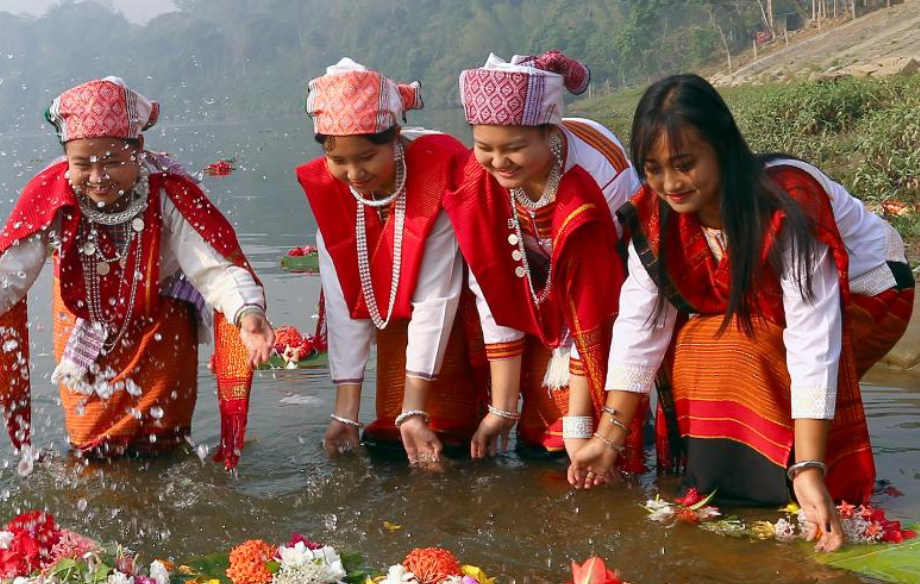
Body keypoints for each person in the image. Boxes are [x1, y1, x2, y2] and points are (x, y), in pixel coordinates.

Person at [570, 74, 914, 551]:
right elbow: (642, 321)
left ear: (724, 149)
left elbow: (812, 335)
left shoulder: (787, 202)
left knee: (748, 347)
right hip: (760, 307)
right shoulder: (657, 211)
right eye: (653, 168)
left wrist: (812, 467)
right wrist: (609, 437)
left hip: (868, 290)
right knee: (691, 344)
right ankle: (730, 489)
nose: (669, 183)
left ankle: (797, 482)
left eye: (685, 164)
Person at [0, 77, 274, 473]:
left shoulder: (167, 190)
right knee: (88, 444)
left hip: (161, 318)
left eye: (114, 161)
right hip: (83, 316)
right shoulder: (53, 194)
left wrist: (246, 313)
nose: (99, 176)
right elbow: (8, 273)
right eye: (83, 163)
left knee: (164, 441)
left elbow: (213, 266)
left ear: (140, 150)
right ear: (68, 158)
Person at [444, 52, 644, 471]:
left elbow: (593, 294)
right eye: (484, 148)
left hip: (607, 286)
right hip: (533, 280)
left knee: (572, 435)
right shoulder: (478, 180)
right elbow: (491, 283)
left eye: (514, 149)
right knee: (535, 438)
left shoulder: (594, 174)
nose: (498, 163)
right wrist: (501, 408)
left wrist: (578, 421)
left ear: (549, 133)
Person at [297, 58, 487, 466]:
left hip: (452, 307)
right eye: (339, 161)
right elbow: (345, 300)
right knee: (389, 438)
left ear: (396, 138)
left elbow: (437, 296)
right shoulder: (333, 190)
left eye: (366, 157)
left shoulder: (433, 173)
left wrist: (416, 411)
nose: (353, 173)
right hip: (389, 309)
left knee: (447, 432)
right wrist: (344, 414)